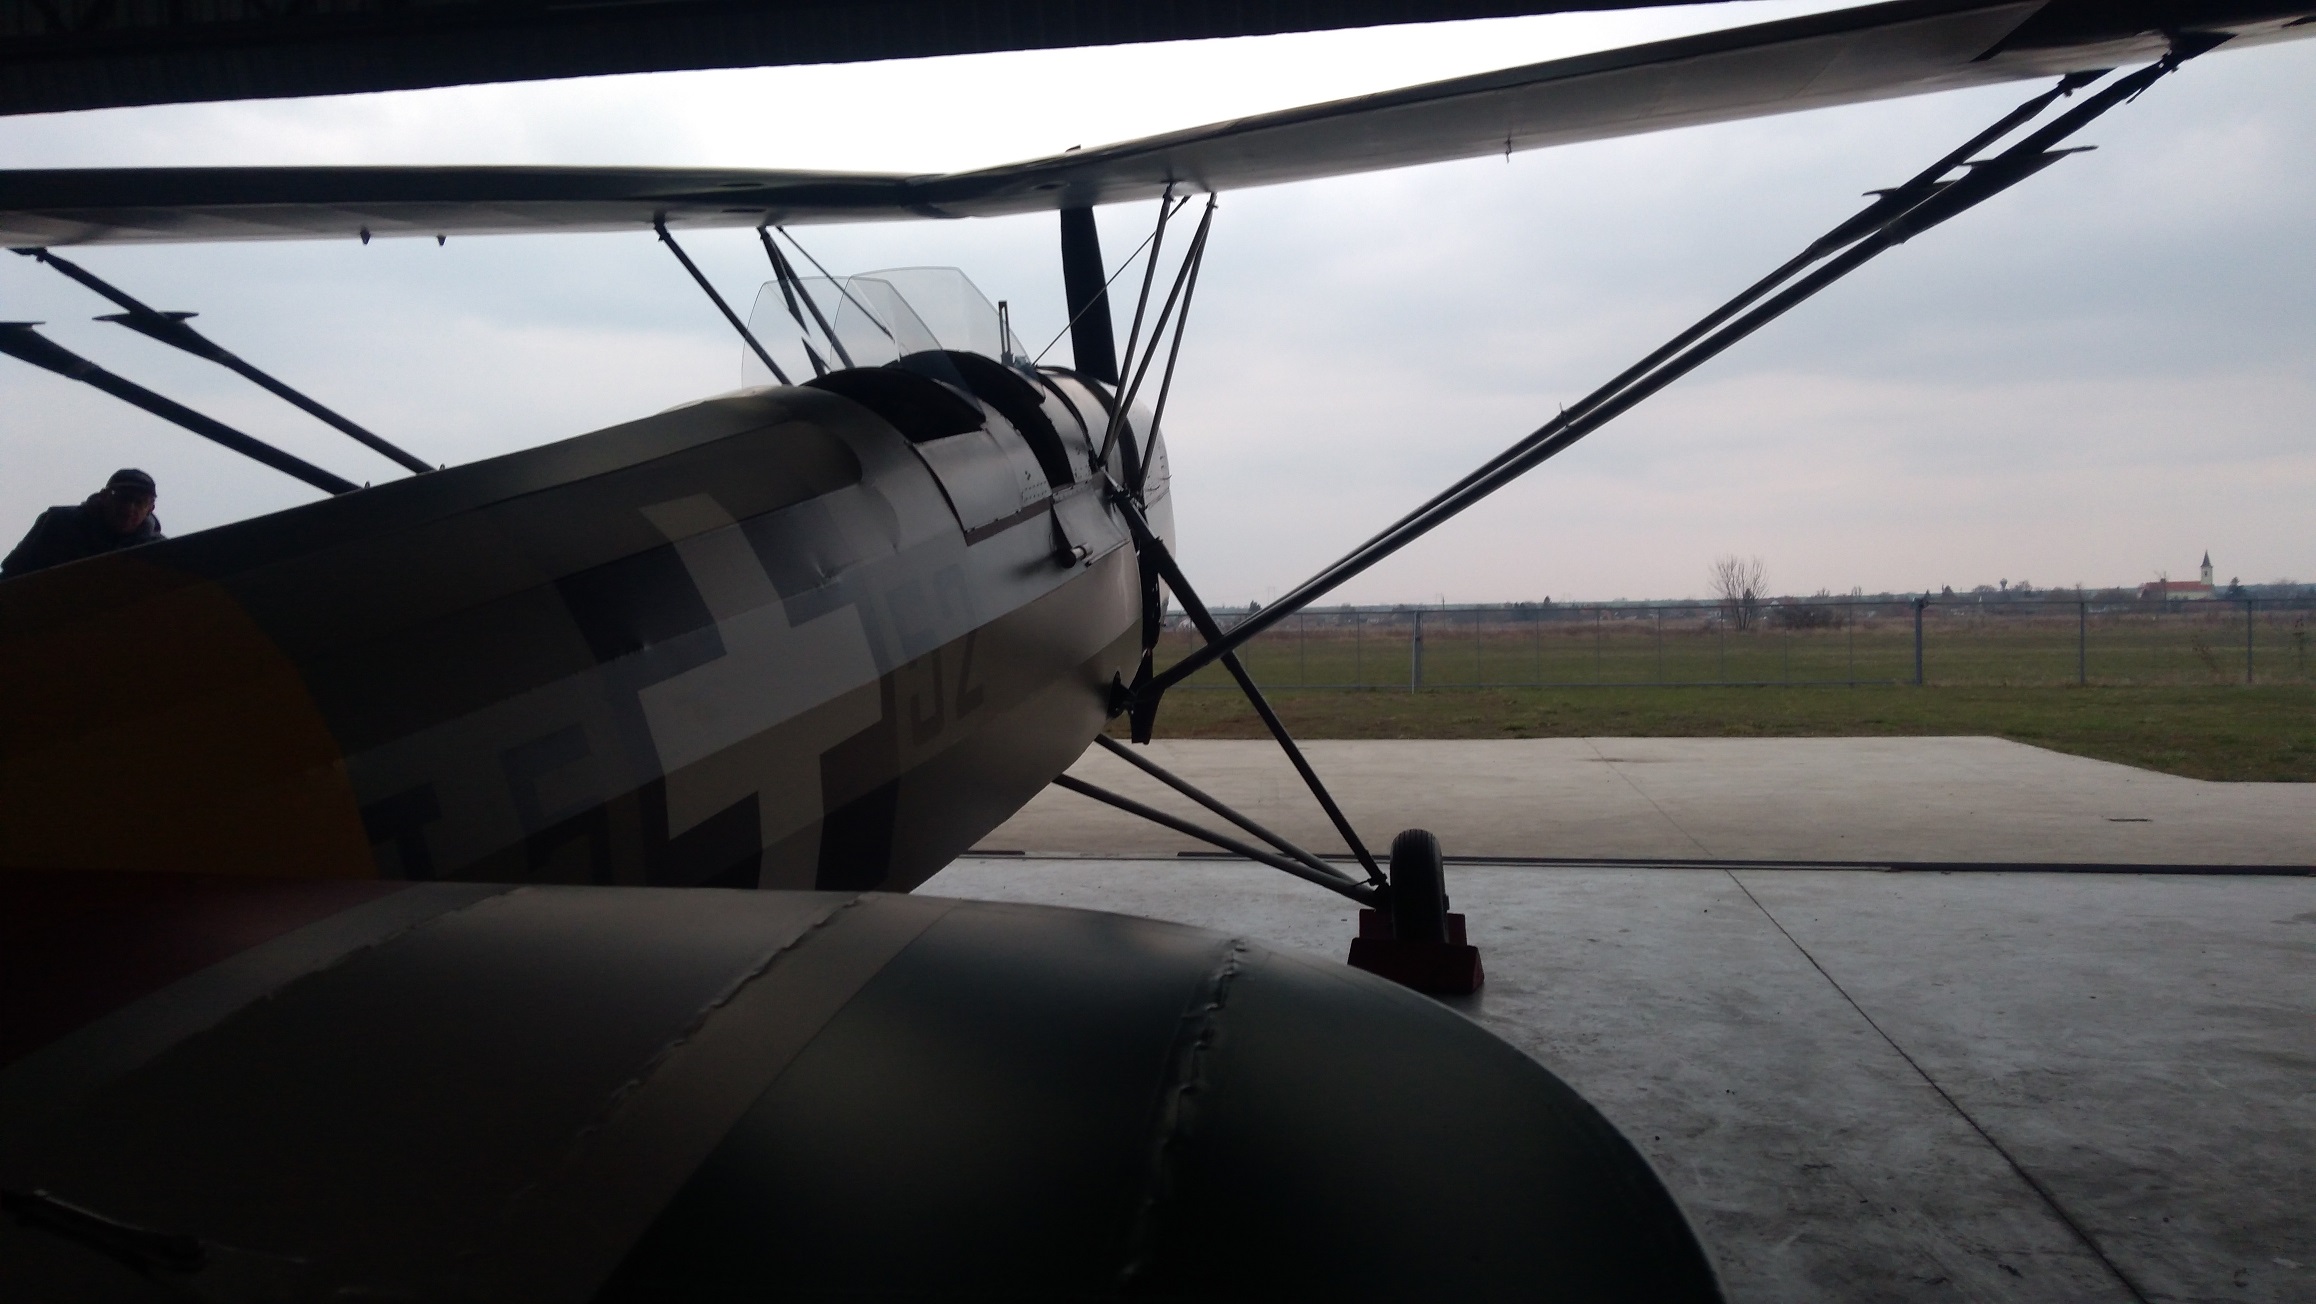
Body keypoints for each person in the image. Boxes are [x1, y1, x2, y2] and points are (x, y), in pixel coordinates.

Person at [2, 469, 165, 579]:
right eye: (123, 498)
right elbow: (13, 571)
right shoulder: (58, 522)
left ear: (150, 508)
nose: (130, 508)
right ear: (104, 496)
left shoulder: (157, 549)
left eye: (140, 502)